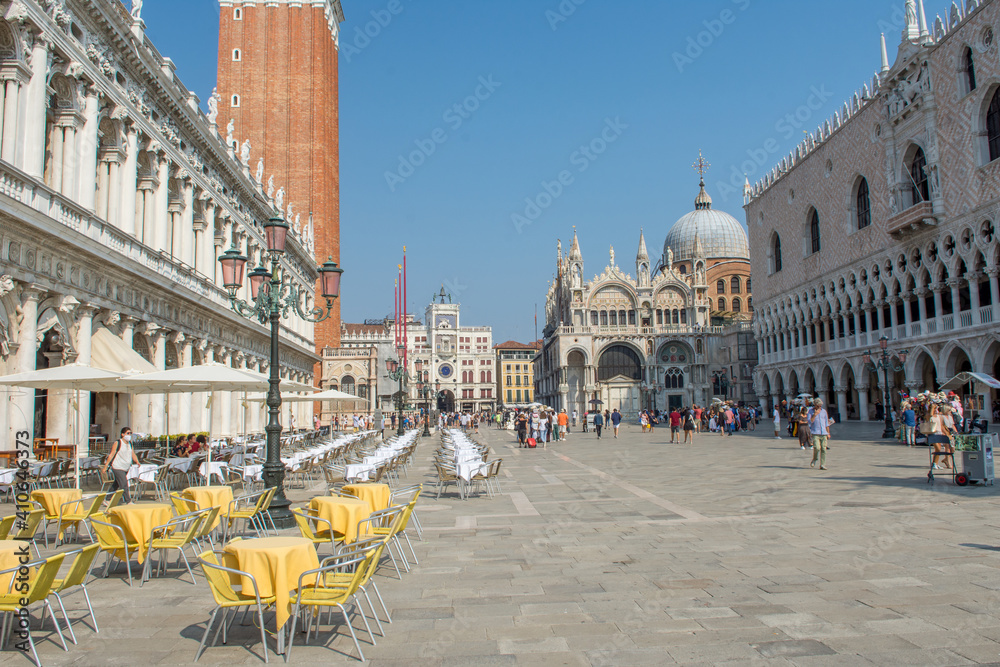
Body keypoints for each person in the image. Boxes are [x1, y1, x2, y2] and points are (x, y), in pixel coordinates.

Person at [103, 426, 139, 504]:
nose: (129, 435)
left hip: (125, 467)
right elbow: (111, 454)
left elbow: (132, 453)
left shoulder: (130, 443)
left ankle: (107, 498)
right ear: (122, 434)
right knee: (123, 483)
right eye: (128, 433)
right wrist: (106, 466)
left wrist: (137, 461)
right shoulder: (118, 443)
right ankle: (128, 501)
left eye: (130, 433)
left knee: (116, 484)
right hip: (117, 466)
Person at [808, 398, 832, 470]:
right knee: (817, 448)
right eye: (818, 406)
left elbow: (826, 423)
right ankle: (815, 459)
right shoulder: (810, 411)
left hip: (824, 433)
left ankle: (822, 464)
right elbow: (810, 422)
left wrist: (828, 433)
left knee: (824, 449)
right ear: (815, 405)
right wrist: (815, 415)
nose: (819, 407)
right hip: (815, 433)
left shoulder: (824, 411)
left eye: (820, 406)